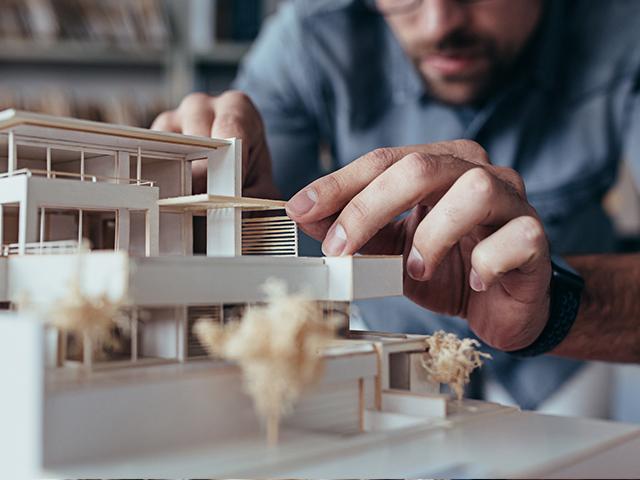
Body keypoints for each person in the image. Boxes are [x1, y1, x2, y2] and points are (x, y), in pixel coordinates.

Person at [152, 0, 640, 411]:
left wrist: (554, 308)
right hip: (387, 367)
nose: (438, 25)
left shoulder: (623, 30)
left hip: (571, 361)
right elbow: (265, 231)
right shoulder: (309, 35)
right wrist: (226, 212)